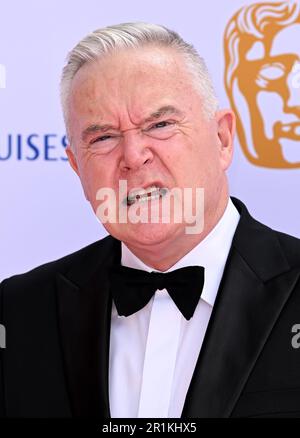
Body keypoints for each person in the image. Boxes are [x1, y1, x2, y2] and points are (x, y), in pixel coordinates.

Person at [0, 22, 300, 419]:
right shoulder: (19, 312)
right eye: (103, 137)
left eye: (160, 125)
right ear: (76, 167)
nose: (134, 155)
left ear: (222, 139)